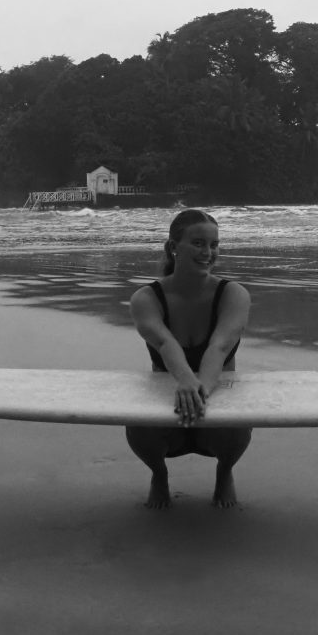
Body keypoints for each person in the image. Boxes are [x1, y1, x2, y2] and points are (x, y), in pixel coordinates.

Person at [128, 209, 252, 509]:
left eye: (214, 245)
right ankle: (159, 474)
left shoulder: (233, 293)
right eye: (198, 243)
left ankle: (224, 472)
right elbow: (164, 342)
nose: (208, 252)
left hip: (215, 398)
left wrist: (200, 391)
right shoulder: (145, 298)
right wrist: (184, 381)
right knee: (135, 426)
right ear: (173, 247)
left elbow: (220, 347)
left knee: (241, 424)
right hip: (168, 400)